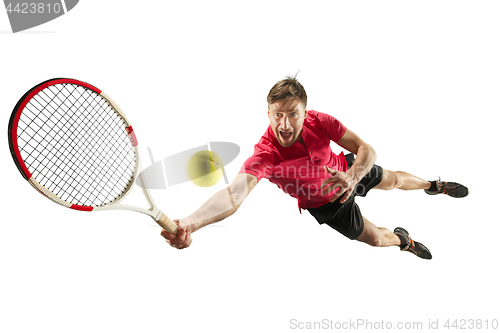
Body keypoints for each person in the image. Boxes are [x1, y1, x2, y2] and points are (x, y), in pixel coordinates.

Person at [161, 75, 468, 259]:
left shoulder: (321, 121)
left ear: (305, 112)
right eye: (277, 114)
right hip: (326, 206)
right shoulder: (265, 155)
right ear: (267, 113)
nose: (284, 123)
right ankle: (404, 240)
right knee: (376, 240)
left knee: (394, 180)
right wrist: (190, 223)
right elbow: (232, 194)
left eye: (292, 114)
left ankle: (433, 186)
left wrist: (352, 175)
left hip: (347, 171)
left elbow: (367, 149)